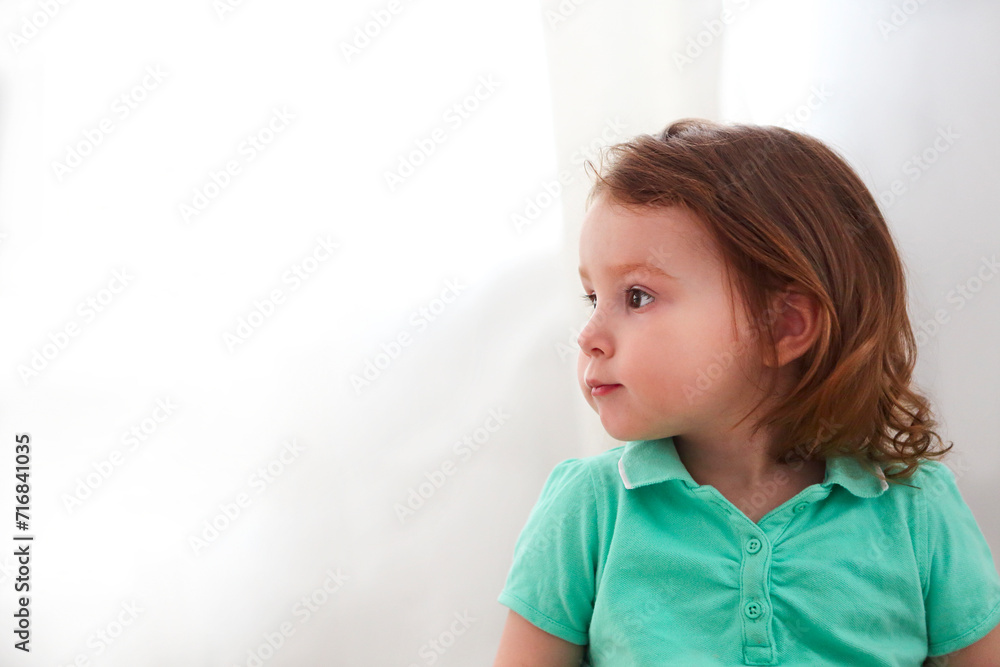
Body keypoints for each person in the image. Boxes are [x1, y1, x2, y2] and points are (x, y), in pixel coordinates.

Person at [492, 119, 1000, 666]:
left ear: (783, 326)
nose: (588, 337)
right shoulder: (588, 510)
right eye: (593, 297)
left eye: (637, 297)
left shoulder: (915, 508)